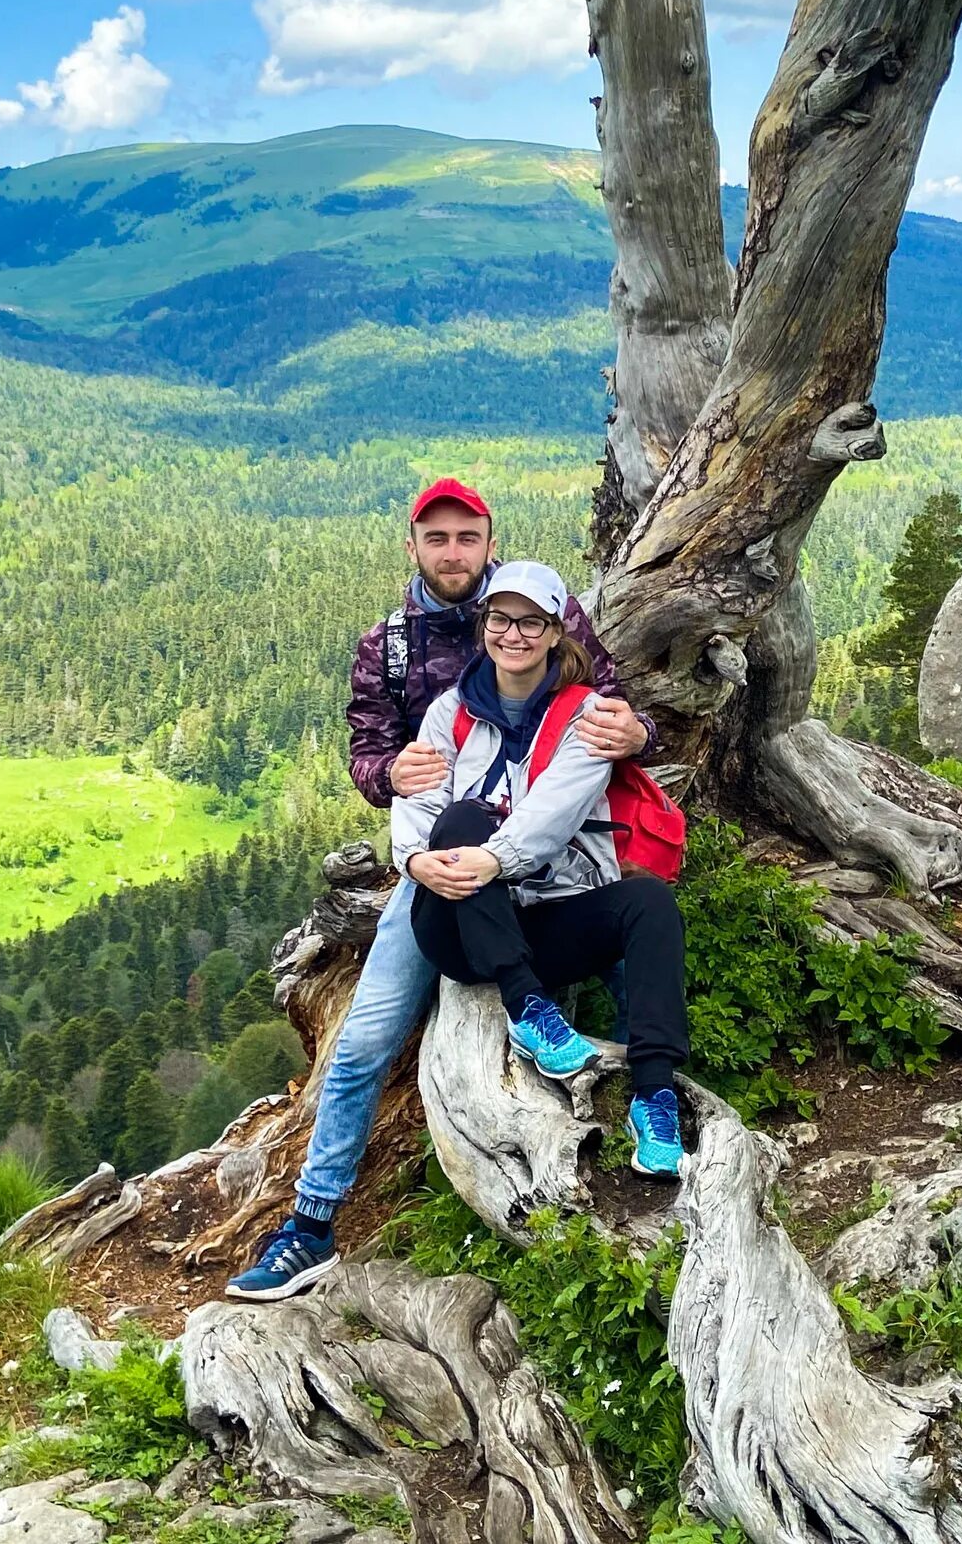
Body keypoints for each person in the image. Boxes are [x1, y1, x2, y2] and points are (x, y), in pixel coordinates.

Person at [225, 480, 649, 1301]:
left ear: (491, 543)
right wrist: (389, 775)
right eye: (437, 538)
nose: (453, 552)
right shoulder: (387, 645)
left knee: (629, 955)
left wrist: (641, 732)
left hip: (546, 859)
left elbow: (612, 710)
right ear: (413, 547)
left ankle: (647, 1129)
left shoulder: (539, 611)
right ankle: (310, 1227)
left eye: (468, 537)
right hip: (436, 868)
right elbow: (369, 755)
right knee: (361, 1046)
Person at [390, 559, 688, 1169]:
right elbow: (420, 794)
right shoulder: (449, 714)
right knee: (461, 820)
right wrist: (416, 861)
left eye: (531, 622)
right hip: (457, 927)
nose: (513, 634)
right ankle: (529, 1009)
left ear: (556, 632)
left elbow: (551, 817)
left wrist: (491, 860)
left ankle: (654, 1093)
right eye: (500, 619)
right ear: (484, 626)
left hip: (548, 916)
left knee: (650, 903)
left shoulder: (590, 717)